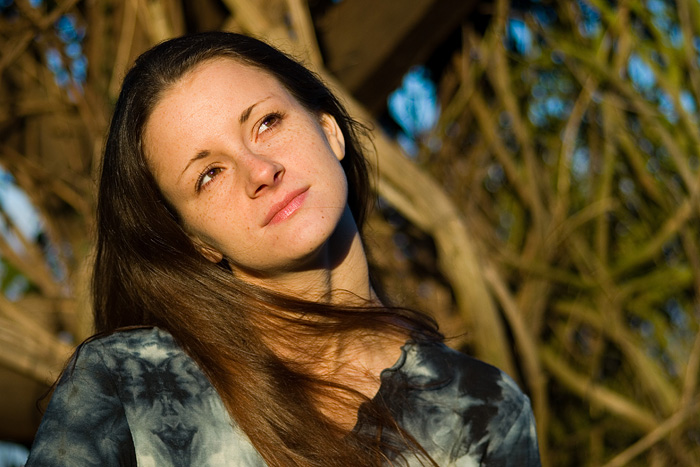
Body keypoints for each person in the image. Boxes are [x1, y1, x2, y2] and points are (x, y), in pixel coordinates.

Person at [26, 32, 541, 466]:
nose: (260, 171)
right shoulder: (129, 385)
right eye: (209, 174)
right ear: (196, 242)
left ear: (329, 131)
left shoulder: (481, 410)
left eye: (266, 123)